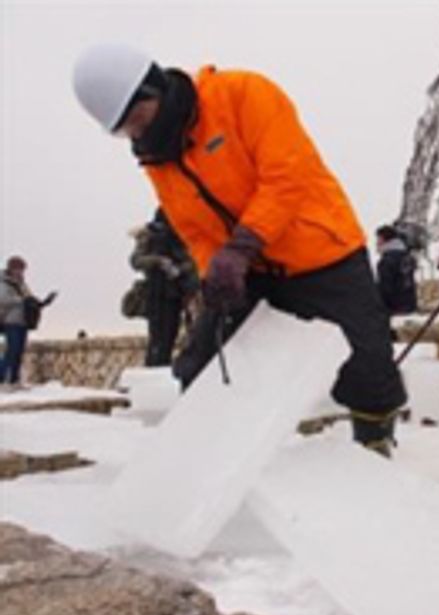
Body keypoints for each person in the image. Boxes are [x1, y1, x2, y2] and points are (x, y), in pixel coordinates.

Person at [73, 44, 406, 455]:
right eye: (125, 131)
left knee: (368, 364)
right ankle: (216, 463)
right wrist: (217, 270)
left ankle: (374, 445)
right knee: (203, 362)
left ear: (153, 89)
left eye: (138, 120)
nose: (137, 135)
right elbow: (195, 230)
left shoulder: (244, 94)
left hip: (322, 254)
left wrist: (242, 246)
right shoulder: (158, 160)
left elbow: (287, 176)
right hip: (249, 268)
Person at [130, 208, 199, 366]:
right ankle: (155, 370)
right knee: (158, 338)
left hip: (178, 292)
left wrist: (179, 269)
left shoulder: (183, 233)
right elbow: (136, 261)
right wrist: (159, 261)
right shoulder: (149, 234)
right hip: (156, 292)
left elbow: (194, 261)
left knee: (171, 335)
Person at [0, 256, 57, 389]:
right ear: (12, 268)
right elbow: (3, 299)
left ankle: (14, 380)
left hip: (23, 322)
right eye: (19, 269)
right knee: (11, 351)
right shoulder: (4, 283)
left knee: (19, 352)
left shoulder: (22, 284)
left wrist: (41, 302)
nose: (21, 272)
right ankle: (2, 377)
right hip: (11, 321)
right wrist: (21, 301)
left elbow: (28, 298)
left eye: (22, 270)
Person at [375, 224, 418, 316]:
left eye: (378, 239)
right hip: (410, 305)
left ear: (383, 239)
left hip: (394, 309)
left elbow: (385, 288)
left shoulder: (386, 261)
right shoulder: (407, 257)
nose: (376, 243)